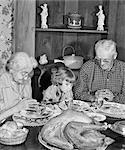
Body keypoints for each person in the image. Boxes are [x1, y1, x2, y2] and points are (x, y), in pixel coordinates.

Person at [74, 39, 125, 104]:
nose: (101, 63)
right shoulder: (87, 67)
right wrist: (93, 97)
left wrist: (114, 98)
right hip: (92, 110)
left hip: (117, 111)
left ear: (114, 56)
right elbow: (78, 94)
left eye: (106, 60)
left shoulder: (123, 69)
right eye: (98, 59)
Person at [0, 52, 40, 122]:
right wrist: (17, 108)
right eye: (23, 73)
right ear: (11, 70)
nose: (26, 78)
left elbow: (27, 104)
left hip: (22, 122)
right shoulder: (2, 83)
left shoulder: (26, 79)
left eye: (28, 74)